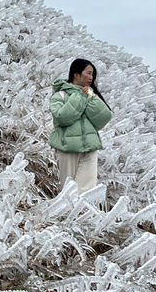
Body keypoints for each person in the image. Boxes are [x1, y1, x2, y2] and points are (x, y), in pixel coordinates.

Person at [48, 58, 112, 193]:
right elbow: (62, 118)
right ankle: (68, 214)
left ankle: (84, 213)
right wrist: (79, 96)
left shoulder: (89, 94)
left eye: (93, 74)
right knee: (68, 190)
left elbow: (104, 117)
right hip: (67, 148)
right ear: (76, 74)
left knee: (88, 190)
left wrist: (91, 97)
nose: (91, 77)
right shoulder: (60, 95)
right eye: (88, 73)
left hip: (90, 147)